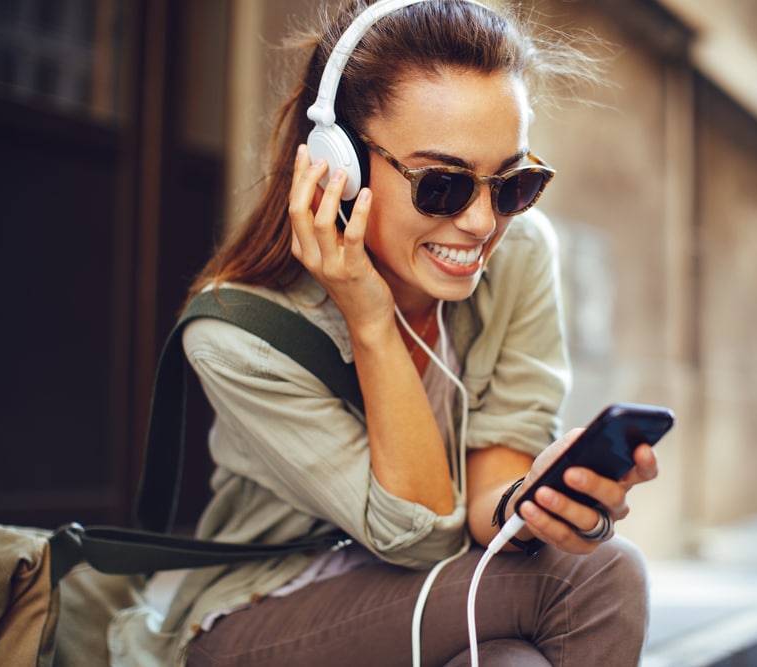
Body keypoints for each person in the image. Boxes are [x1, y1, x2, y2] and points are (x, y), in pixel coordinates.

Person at [109, 0, 659, 665]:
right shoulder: (239, 336)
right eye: (443, 184)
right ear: (339, 163)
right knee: (603, 576)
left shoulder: (520, 255)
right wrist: (370, 318)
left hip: (433, 593)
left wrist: (532, 503)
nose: (484, 222)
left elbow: (487, 503)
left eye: (513, 183)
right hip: (257, 617)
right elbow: (420, 533)